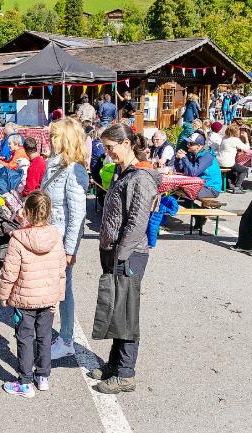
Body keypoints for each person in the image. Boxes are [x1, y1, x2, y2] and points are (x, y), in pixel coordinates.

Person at [90, 123, 159, 394]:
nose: (108, 153)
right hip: (115, 251)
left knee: (126, 313)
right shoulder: (124, 172)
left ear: (127, 143)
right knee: (116, 310)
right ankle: (115, 363)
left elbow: (137, 222)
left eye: (111, 147)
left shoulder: (140, 177)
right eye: (105, 148)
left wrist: (120, 254)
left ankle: (126, 374)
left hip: (128, 254)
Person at [0, 191, 66, 398]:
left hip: (24, 299)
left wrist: (3, 295)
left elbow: (9, 273)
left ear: (26, 212)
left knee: (25, 338)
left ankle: (25, 382)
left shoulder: (18, 239)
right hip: (47, 298)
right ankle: (43, 376)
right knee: (44, 337)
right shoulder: (55, 237)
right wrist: (58, 297)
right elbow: (61, 271)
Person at [41, 117, 89, 360]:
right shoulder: (53, 163)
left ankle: (67, 338)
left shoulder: (75, 169)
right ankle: (50, 331)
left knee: (64, 289)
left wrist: (71, 250)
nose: (50, 140)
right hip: (48, 236)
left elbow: (78, 215)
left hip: (60, 241)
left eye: (54, 136)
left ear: (66, 139)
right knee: (52, 288)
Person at [175, 133, 222, 199]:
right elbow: (183, 170)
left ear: (199, 146)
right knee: (176, 189)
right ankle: (189, 207)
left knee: (184, 191)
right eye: (187, 143)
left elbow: (193, 172)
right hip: (200, 184)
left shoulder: (207, 156)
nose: (188, 145)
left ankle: (192, 208)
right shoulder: (194, 154)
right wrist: (178, 159)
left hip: (210, 188)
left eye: (191, 144)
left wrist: (184, 158)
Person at [216, 124, 251, 193]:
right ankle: (237, 187)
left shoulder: (224, 138)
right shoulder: (235, 140)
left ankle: (230, 184)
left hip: (219, 161)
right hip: (227, 163)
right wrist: (246, 138)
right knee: (244, 170)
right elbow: (247, 149)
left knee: (233, 168)